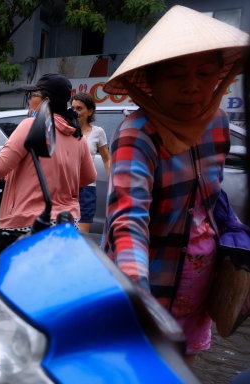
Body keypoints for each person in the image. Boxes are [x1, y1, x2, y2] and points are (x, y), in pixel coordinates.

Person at [100, 5, 248, 361]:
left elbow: (211, 199)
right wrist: (137, 296)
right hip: (149, 284)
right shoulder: (139, 135)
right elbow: (129, 219)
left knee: (183, 367)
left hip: (197, 284)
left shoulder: (218, 124)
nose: (192, 86)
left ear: (218, 77)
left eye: (205, 73)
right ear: (150, 81)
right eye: (176, 75)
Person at [0, 73, 96, 253]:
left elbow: (1, 164)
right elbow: (88, 177)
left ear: (45, 100)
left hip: (30, 222)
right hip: (66, 224)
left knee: (1, 276)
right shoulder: (77, 135)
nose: (29, 100)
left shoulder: (30, 125)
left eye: (33, 95)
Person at [71, 92, 111, 233]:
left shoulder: (98, 132)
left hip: (87, 188)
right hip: (67, 187)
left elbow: (106, 158)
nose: (75, 111)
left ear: (90, 111)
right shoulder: (66, 130)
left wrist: (113, 181)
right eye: (73, 108)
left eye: (79, 108)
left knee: (82, 234)